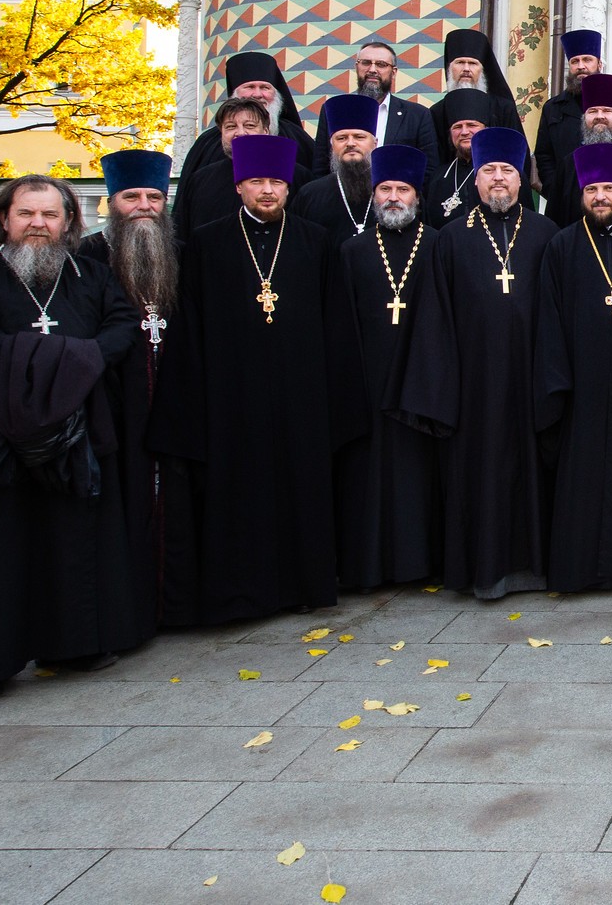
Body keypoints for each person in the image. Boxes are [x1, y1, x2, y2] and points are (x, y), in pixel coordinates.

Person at [0, 176, 145, 704]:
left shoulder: (92, 277)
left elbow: (121, 329)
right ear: (3, 218)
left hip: (75, 427)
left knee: (73, 536)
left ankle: (74, 643)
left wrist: (67, 363)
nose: (38, 226)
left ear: (69, 223)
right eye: (26, 214)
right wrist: (51, 358)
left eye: (51, 216)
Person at [154, 134, 350, 624]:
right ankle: (241, 594)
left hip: (300, 397)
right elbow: (191, 329)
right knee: (239, 494)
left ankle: (304, 586)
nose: (268, 191)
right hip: (231, 396)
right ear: (239, 187)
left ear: (289, 188)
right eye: (258, 182)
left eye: (277, 182)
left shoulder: (315, 241)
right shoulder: (207, 242)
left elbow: (337, 325)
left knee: (300, 490)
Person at [396, 128, 558, 598]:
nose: (499, 180)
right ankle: (482, 573)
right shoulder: (449, 239)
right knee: (478, 476)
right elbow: (435, 320)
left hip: (532, 376)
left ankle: (534, 569)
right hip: (474, 384)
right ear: (476, 178)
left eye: (507, 170)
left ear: (521, 177)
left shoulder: (546, 233)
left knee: (531, 471)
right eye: (489, 170)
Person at [533, 141, 612, 593]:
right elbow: (548, 321)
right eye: (592, 190)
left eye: (608, 187)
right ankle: (579, 569)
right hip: (580, 386)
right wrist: (558, 385)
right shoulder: (561, 247)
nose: (600, 196)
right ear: (581, 195)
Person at [329, 145, 440, 590]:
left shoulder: (436, 244)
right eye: (386, 189)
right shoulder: (352, 250)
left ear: (417, 196)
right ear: (374, 195)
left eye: (403, 189)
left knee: (419, 475)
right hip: (368, 377)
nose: (394, 197)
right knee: (368, 476)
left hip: (422, 378)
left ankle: (422, 564)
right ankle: (367, 567)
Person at [76, 149, 176, 640]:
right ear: (111, 203)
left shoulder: (182, 253)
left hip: (175, 393)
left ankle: (172, 606)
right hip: (115, 400)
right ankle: (120, 614)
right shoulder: (87, 257)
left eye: (154, 197)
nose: (143, 206)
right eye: (131, 196)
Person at [174, 49, 319, 190]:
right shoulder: (207, 143)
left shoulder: (296, 138)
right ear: (235, 93)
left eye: (265, 87)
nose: (257, 94)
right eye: (249, 87)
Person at [534, 29, 612, 199]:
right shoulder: (553, 107)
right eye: (575, 61)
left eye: (587, 60)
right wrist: (555, 188)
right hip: (566, 195)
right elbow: (544, 154)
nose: (581, 66)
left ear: (599, 64)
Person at [312, 40, 440, 177]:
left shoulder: (417, 115)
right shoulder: (334, 110)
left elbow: (429, 170)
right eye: (366, 63)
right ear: (357, 67)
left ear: (394, 72)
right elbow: (320, 168)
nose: (372, 70)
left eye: (381, 64)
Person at [173, 95, 273, 243]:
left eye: (250, 126)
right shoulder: (200, 180)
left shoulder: (292, 176)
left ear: (265, 131)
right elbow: (183, 233)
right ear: (221, 133)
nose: (240, 133)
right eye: (231, 127)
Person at [541, 73, 612, 225]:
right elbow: (554, 218)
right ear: (584, 119)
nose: (599, 116)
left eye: (607, 111)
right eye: (592, 111)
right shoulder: (570, 163)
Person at [294, 93, 379, 239]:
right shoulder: (310, 195)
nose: (350, 143)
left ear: (375, 143)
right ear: (332, 145)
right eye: (342, 138)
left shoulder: (391, 190)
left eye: (359, 137)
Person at [429, 28, 521, 151]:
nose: (466, 69)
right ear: (449, 68)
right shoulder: (437, 111)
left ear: (482, 70)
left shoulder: (503, 108)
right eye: (460, 62)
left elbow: (517, 152)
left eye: (472, 63)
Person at [427, 87, 504, 224]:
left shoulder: (504, 174)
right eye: (457, 127)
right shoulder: (439, 177)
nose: (464, 132)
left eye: (471, 125)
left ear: (486, 129)